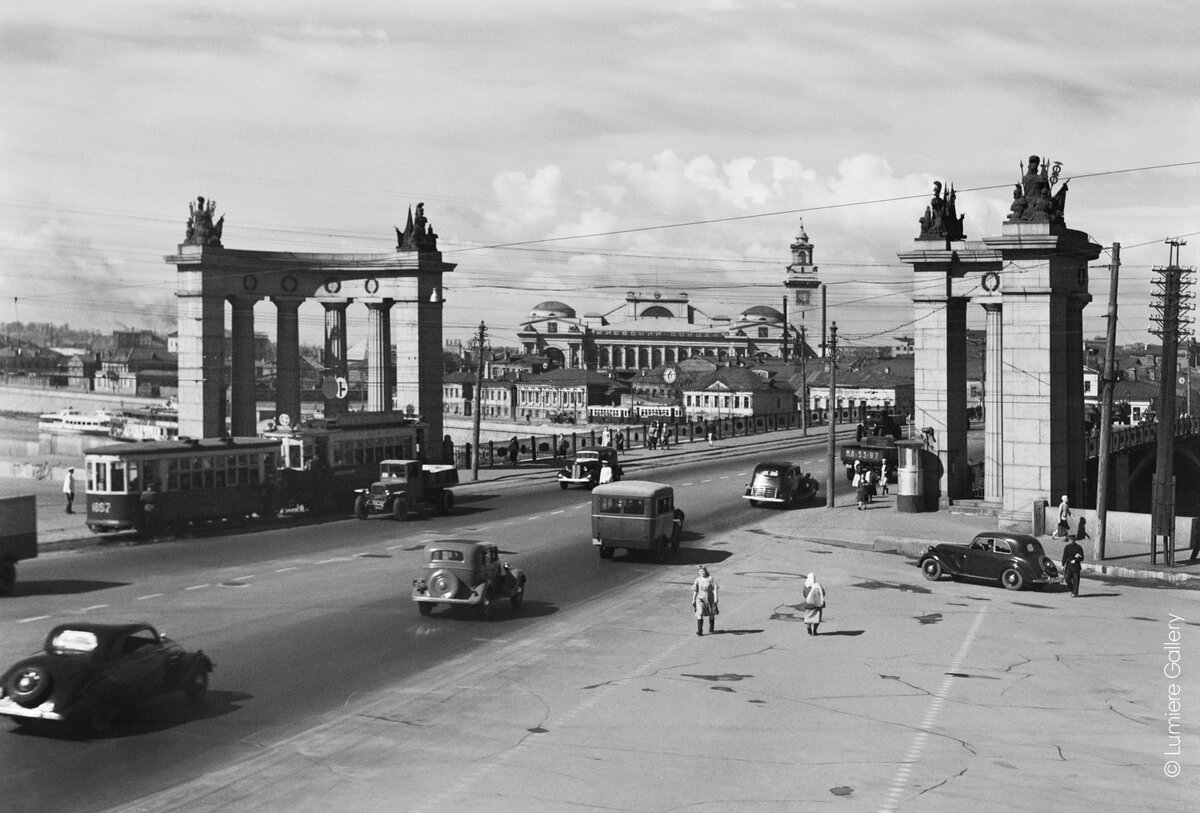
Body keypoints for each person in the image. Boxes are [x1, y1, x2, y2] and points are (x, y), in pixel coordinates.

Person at [691, 566, 719, 635]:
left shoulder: (710, 579)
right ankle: (700, 631)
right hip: (700, 599)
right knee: (700, 613)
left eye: (703, 571)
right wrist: (693, 599)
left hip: (709, 599)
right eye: (700, 571)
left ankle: (711, 627)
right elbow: (695, 590)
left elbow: (715, 589)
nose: (701, 573)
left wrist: (716, 598)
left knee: (711, 613)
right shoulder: (697, 579)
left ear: (706, 571)